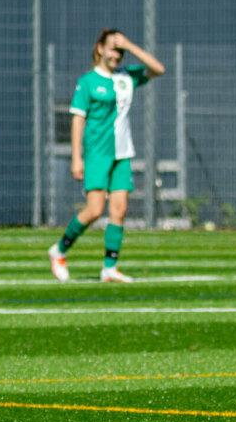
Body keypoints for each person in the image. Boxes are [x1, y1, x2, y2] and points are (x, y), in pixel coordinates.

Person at [46, 29, 164, 283]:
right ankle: (59, 250)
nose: (116, 55)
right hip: (98, 153)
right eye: (112, 48)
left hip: (123, 154)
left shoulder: (126, 77)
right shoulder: (88, 81)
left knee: (119, 212)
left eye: (119, 51)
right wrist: (76, 157)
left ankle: (109, 267)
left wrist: (130, 46)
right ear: (99, 48)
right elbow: (78, 119)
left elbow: (158, 69)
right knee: (94, 210)